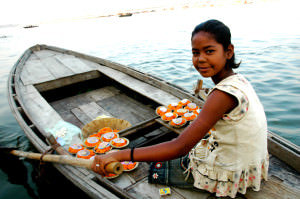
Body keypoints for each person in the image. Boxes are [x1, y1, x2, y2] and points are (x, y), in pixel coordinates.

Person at [92, 19, 269, 198]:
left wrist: (120, 155)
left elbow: (180, 147)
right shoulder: (238, 80)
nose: (200, 59)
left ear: (228, 51)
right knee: (190, 145)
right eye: (195, 52)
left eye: (209, 51)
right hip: (249, 163)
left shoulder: (222, 95)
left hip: (232, 171)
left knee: (156, 170)